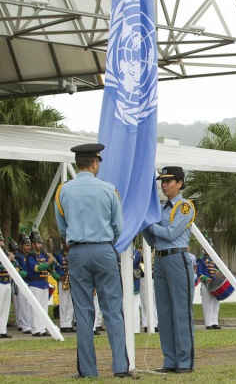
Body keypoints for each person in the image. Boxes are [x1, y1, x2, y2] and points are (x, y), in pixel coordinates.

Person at [54, 143, 131, 378]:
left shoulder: (63, 191)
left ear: (78, 163)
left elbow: (62, 227)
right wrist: (107, 242)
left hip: (77, 252)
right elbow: (118, 226)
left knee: (84, 311)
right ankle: (120, 368)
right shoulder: (109, 189)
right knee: (113, 310)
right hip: (104, 250)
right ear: (95, 163)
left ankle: (88, 370)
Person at [142, 166, 196, 373]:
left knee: (181, 313)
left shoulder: (184, 207)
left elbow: (171, 233)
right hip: (161, 260)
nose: (164, 185)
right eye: (162, 182)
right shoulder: (161, 208)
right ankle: (170, 360)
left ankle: (184, 361)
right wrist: (144, 225)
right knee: (164, 313)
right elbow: (154, 239)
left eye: (168, 181)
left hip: (177, 258)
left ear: (180, 183)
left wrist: (149, 222)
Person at [26, 230, 58, 337]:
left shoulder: (43, 256)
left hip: (44, 284)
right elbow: (36, 268)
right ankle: (35, 329)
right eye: (38, 243)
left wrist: (51, 262)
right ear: (33, 244)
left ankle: (43, 328)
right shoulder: (31, 256)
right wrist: (47, 263)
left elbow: (50, 269)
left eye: (41, 243)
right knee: (36, 307)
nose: (40, 245)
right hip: (35, 284)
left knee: (44, 307)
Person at [197, 246, 222, 330]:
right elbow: (199, 272)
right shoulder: (201, 259)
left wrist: (217, 273)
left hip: (215, 282)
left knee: (216, 303)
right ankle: (208, 323)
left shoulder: (215, 257)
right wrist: (206, 279)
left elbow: (218, 268)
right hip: (206, 283)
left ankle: (215, 322)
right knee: (207, 303)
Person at [54, 241, 75, 333]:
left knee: (70, 303)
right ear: (63, 243)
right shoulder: (58, 255)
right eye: (67, 243)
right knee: (63, 303)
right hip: (63, 280)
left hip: (71, 279)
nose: (69, 245)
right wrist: (61, 275)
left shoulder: (72, 253)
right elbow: (55, 267)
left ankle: (69, 323)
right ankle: (63, 324)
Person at [14, 233, 32, 334]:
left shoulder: (30, 256)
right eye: (27, 245)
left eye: (29, 245)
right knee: (23, 305)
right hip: (21, 282)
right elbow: (16, 269)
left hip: (30, 282)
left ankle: (28, 323)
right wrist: (26, 274)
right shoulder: (18, 256)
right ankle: (25, 326)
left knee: (29, 305)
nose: (29, 247)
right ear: (21, 246)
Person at [0, 231, 15, 338]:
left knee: (6, 307)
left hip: (7, 281)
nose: (1, 243)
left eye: (1, 240)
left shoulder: (4, 253)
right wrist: (7, 261)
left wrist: (12, 260)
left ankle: (3, 330)